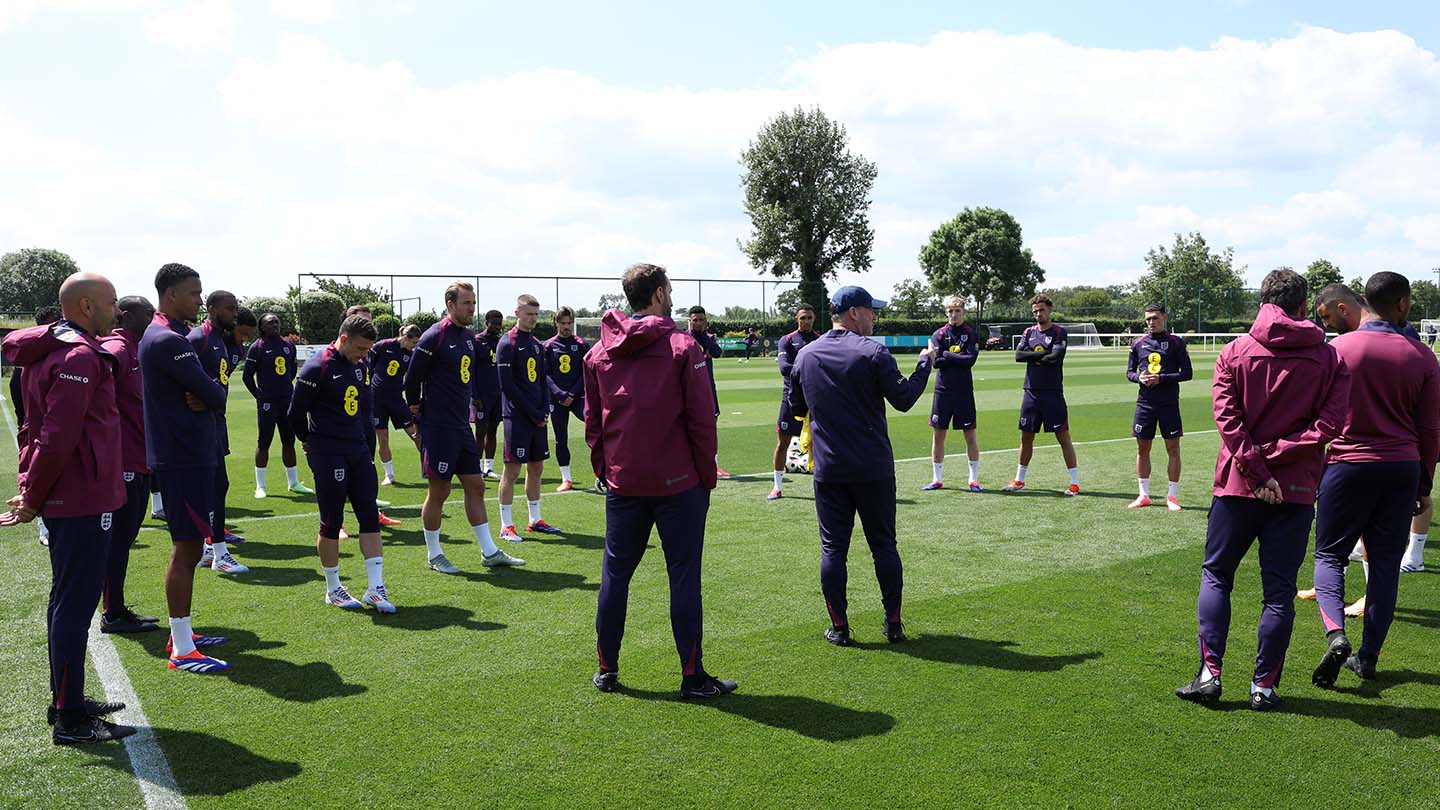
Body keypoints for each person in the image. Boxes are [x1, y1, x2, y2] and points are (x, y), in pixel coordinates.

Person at [1175, 268, 1350, 711]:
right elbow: (1328, 427)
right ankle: (1264, 687)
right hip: (1293, 489)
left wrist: (1257, 468)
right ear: (1303, 304)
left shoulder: (1234, 351)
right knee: (1279, 591)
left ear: (1263, 300)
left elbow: (1227, 420)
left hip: (1238, 485)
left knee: (1217, 576)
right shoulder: (1330, 359)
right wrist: (1277, 463)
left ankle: (1210, 676)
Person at [1, 272, 136, 743]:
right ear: (84, 306)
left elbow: (32, 428)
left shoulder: (54, 352)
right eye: (111, 302)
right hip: (81, 497)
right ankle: (72, 719)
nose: (116, 311)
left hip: (73, 494)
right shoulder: (77, 355)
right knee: (74, 605)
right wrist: (33, 496)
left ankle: (67, 700)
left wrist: (31, 486)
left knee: (66, 601)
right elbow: (56, 438)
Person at [586, 263, 732, 698]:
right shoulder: (682, 345)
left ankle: (606, 669)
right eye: (669, 288)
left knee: (616, 574)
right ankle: (692, 676)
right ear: (658, 294)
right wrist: (706, 475)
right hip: (678, 484)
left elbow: (593, 424)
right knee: (684, 576)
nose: (672, 294)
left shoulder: (598, 352)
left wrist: (606, 473)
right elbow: (702, 420)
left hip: (625, 482)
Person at [1309, 272, 1439, 687]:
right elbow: (1431, 431)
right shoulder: (1422, 356)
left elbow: (1315, 417)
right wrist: (1424, 485)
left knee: (1329, 556)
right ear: (1402, 304)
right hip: (1401, 468)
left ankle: (1335, 636)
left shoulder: (1338, 349)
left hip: (1347, 466)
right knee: (1384, 565)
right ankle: (1367, 658)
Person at [788, 286, 934, 646]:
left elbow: (795, 406)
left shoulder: (806, 355)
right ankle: (894, 624)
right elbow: (903, 399)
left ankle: (839, 628)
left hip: (830, 468)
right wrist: (924, 364)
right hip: (872, 467)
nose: (875, 317)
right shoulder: (873, 352)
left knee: (833, 549)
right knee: (883, 546)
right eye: (871, 311)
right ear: (854, 312)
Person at [140, 264, 234, 673]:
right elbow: (216, 393)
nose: (200, 299)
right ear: (172, 293)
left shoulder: (167, 335)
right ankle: (182, 649)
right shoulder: (167, 339)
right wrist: (208, 395)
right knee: (189, 547)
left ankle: (183, 634)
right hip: (183, 457)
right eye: (195, 293)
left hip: (186, 454)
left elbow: (210, 394)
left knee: (192, 545)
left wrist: (207, 395)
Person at [403, 282, 524, 573]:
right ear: (450, 303)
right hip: (439, 427)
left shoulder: (469, 338)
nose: (472, 308)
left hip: (460, 426)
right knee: (439, 491)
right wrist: (417, 410)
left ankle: (489, 552)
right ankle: (435, 555)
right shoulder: (434, 336)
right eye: (467, 303)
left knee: (476, 485)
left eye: (473, 302)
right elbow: (411, 379)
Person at [290, 315, 395, 612]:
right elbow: (296, 413)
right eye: (360, 348)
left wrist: (366, 444)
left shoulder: (360, 366)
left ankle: (375, 588)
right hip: (328, 452)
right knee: (332, 521)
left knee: (369, 515)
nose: (364, 354)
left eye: (368, 349)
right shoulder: (317, 366)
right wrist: (310, 443)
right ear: (344, 338)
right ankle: (333, 588)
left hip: (358, 451)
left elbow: (364, 410)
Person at [96, 296, 162, 635]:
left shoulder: (136, 347)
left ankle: (116, 607)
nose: (153, 317)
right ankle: (112, 612)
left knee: (124, 537)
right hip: (122, 462)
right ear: (126, 315)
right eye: (147, 312)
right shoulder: (116, 349)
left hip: (138, 459)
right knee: (118, 540)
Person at [187, 290, 249, 572]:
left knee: (217, 485)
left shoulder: (219, 340)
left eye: (236, 308)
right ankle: (213, 551)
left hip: (215, 421)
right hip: (199, 425)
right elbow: (180, 378)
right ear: (211, 309)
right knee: (209, 485)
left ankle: (211, 546)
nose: (234, 313)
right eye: (229, 308)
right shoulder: (198, 338)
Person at [495, 294, 562, 541]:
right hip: (517, 417)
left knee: (537, 467)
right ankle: (506, 526)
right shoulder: (507, 343)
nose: (533, 318)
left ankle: (535, 520)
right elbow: (508, 386)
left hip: (537, 417)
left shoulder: (536, 344)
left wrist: (545, 409)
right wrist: (533, 413)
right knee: (512, 470)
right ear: (517, 313)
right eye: (528, 314)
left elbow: (543, 380)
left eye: (536, 314)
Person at [1004, 294, 1080, 495]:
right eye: (1035, 311)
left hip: (1052, 392)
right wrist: (1042, 354)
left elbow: (1055, 358)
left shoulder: (1059, 332)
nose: (1039, 314)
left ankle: (1074, 482)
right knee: (1026, 437)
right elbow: (1019, 356)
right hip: (1030, 392)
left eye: (1042, 310)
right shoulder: (1028, 332)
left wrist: (1034, 356)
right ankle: (1019, 480)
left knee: (1063, 437)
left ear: (1050, 310)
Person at [1125, 304, 1193, 510]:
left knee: (1172, 449)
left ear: (1164, 317)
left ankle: (1172, 497)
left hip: (1168, 404)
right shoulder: (1138, 343)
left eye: (1155, 318)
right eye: (1148, 319)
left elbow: (1187, 373)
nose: (1151, 322)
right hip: (1144, 404)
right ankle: (1143, 495)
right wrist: (1140, 378)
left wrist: (1161, 378)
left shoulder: (1176, 343)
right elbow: (1129, 372)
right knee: (1142, 449)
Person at [7, 304, 62, 546]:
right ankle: (42, 523)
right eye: (54, 322)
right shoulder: (27, 364)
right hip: (34, 433)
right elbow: (21, 405)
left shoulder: (62, 357)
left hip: (46, 432)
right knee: (35, 473)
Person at [244, 313, 313, 499]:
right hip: (267, 403)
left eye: (276, 321)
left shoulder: (288, 345)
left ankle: (293, 483)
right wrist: (259, 396)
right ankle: (260, 486)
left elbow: (291, 371)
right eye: (270, 322)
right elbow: (247, 376)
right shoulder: (257, 347)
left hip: (287, 400)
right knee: (264, 442)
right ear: (262, 326)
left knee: (289, 441)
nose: (275, 324)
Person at [923, 295, 982, 493]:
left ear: (964, 312)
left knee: (970, 435)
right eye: (950, 311)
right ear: (946, 312)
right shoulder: (938, 334)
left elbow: (969, 360)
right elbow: (935, 362)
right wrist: (955, 356)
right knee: (938, 435)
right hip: (943, 391)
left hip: (964, 391)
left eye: (957, 311)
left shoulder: (970, 334)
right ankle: (937, 479)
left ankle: (973, 480)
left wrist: (946, 354)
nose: (953, 314)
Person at [768, 304, 820, 501]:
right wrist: (810, 370)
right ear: (796, 319)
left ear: (813, 319)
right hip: (791, 399)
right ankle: (777, 486)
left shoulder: (819, 339)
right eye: (802, 318)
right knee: (783, 443)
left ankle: (821, 484)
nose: (806, 321)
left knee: (819, 444)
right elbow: (783, 367)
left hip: (814, 399)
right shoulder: (787, 340)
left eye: (809, 318)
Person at [369, 324, 422, 486]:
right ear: (405, 338)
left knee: (415, 434)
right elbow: (370, 366)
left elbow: (412, 377)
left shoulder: (411, 355)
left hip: (397, 400)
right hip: (376, 399)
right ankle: (389, 474)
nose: (415, 346)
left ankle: (429, 466)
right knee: (383, 438)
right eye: (414, 342)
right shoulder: (383, 346)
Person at [543, 307, 588, 492]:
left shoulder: (582, 344)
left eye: (569, 323)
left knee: (595, 426)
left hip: (577, 397)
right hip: (557, 399)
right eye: (563, 323)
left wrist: (573, 393)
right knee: (560, 438)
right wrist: (560, 394)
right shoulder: (548, 346)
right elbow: (544, 374)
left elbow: (587, 373)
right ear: (556, 323)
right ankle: (566, 478)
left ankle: (605, 472)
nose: (567, 327)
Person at [687, 306, 729, 480]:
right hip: (688, 388)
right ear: (689, 321)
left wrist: (704, 336)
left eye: (701, 320)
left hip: (708, 388)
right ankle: (687, 464)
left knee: (712, 423)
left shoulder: (709, 338)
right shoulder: (682, 338)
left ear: (706, 321)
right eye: (695, 320)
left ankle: (714, 464)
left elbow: (718, 353)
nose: (698, 323)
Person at [474, 309, 505, 479]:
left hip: (498, 394)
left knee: (493, 429)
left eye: (499, 323)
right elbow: (470, 370)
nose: (497, 326)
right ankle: (476, 467)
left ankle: (489, 467)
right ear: (487, 322)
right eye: (494, 322)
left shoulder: (501, 342)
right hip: (482, 395)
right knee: (480, 430)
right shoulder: (477, 341)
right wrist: (474, 395)